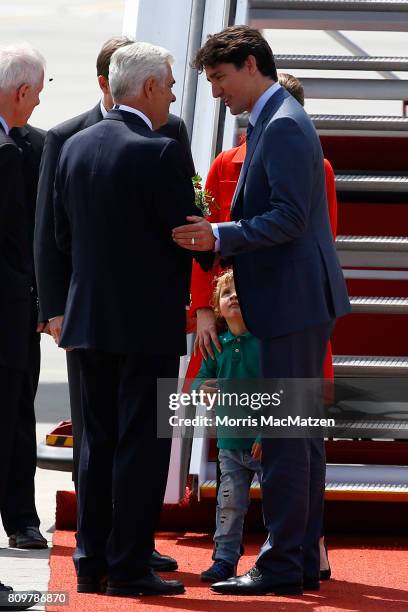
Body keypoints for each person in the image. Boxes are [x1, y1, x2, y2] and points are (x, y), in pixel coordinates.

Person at [173, 25, 350, 596]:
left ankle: (281, 565)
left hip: (291, 307)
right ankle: (293, 563)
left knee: (283, 440)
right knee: (289, 439)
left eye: (221, 79)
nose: (218, 92)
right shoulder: (275, 123)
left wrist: (219, 234)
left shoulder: (283, 127)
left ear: (252, 65)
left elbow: (290, 218)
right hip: (293, 305)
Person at [53, 41, 212, 597]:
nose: (171, 92)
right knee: (142, 445)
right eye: (168, 83)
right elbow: (189, 235)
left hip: (87, 320)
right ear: (147, 88)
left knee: (95, 444)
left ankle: (90, 559)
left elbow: (60, 237)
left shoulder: (73, 146)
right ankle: (128, 566)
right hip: (144, 325)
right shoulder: (159, 151)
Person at [0, 41, 46, 610]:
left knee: (15, 421)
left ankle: (21, 516)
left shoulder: (30, 146)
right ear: (19, 92)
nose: (37, 104)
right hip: (7, 317)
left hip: (16, 323)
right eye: (37, 93)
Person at [192, 270, 262, 583]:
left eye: (241, 291)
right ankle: (224, 560)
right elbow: (196, 385)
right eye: (226, 293)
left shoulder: (265, 346)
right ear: (217, 307)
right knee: (229, 505)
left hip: (266, 444)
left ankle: (277, 558)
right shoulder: (217, 346)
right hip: (230, 445)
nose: (233, 296)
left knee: (277, 506)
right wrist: (202, 390)